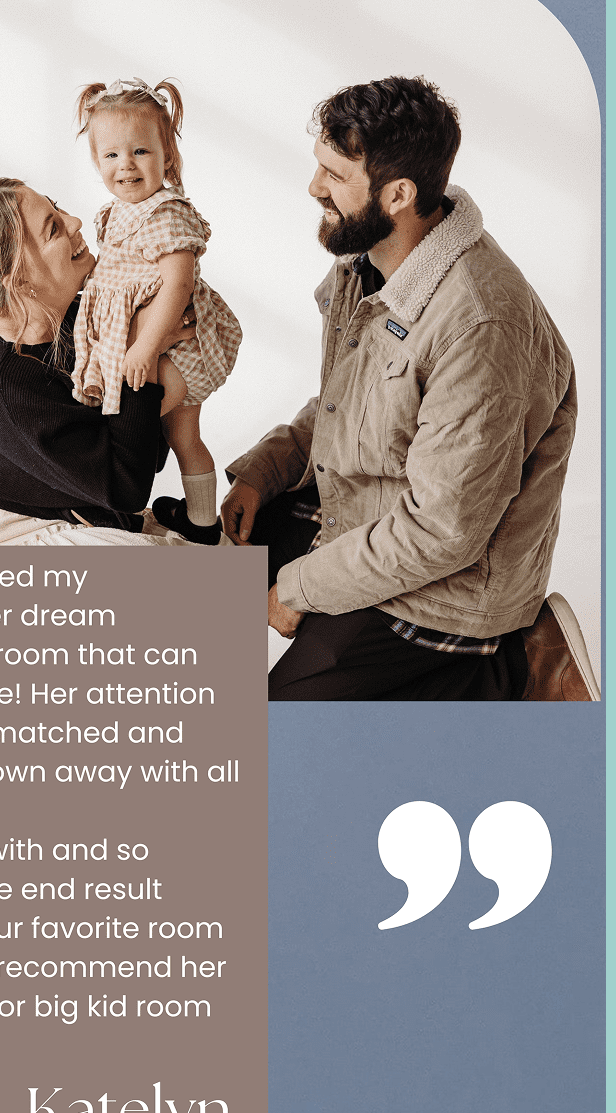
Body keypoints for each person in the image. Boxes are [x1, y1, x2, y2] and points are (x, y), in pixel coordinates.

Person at [222, 75, 598, 701]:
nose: (314, 187)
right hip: (364, 519)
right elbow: (351, 405)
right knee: (196, 564)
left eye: (334, 175)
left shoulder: (482, 323)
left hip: (443, 586)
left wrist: (297, 588)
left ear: (397, 193)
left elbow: (441, 531)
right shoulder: (367, 255)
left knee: (271, 739)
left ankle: (513, 668)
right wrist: (265, 470)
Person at [0, 177, 197, 547]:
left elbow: (140, 449)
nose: (75, 223)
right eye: (54, 228)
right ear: (20, 282)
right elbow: (126, 484)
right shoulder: (4, 381)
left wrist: (148, 338)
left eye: (58, 208)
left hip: (45, 512)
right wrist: (140, 349)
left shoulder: (73, 318)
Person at [71, 78, 241, 545]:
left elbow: (178, 283)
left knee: (123, 425)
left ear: (168, 154)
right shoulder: (113, 213)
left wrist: (146, 345)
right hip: (152, 344)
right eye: (111, 155)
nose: (125, 165)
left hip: (178, 347)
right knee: (183, 438)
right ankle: (202, 523)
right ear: (96, 159)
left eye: (141, 152)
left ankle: (112, 511)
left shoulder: (165, 212)